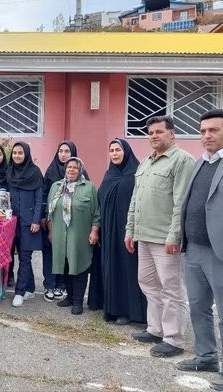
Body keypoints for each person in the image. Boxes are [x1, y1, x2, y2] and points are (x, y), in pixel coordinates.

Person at [125, 115, 195, 358]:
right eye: (151, 133)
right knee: (148, 284)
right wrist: (130, 229)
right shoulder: (146, 162)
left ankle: (174, 339)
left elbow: (181, 203)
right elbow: (136, 199)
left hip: (166, 239)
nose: (153, 136)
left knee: (172, 289)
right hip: (144, 236)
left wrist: (175, 235)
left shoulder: (182, 161)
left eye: (159, 132)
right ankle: (155, 329)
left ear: (172, 133)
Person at [175, 109, 223, 389]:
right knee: (198, 308)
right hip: (193, 249)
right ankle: (206, 356)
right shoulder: (200, 163)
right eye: (203, 131)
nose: (206, 136)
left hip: (219, 252)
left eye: (213, 130)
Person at [98, 138, 147, 325]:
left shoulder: (136, 174)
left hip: (128, 232)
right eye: (111, 150)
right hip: (109, 232)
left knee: (128, 269)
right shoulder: (108, 175)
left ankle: (130, 311)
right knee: (112, 268)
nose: (115, 153)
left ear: (126, 152)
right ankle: (113, 308)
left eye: (118, 150)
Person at [46, 157, 100, 315]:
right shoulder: (56, 187)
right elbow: (49, 212)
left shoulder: (88, 187)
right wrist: (50, 231)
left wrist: (94, 231)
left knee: (79, 266)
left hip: (80, 235)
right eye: (69, 167)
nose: (71, 170)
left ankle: (78, 301)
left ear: (80, 170)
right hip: (59, 235)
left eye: (75, 168)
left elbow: (96, 212)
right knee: (65, 266)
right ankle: (69, 297)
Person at [41, 141, 88, 302]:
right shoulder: (51, 172)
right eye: (60, 151)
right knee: (52, 253)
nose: (63, 154)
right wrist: (44, 219)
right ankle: (50, 284)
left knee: (68, 256)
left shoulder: (83, 176)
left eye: (67, 151)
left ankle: (62, 286)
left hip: (74, 226)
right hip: (54, 223)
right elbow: (44, 195)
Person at [7, 142, 43, 307]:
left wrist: (36, 220)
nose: (17, 156)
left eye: (20, 153)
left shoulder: (35, 173)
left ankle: (19, 292)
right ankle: (30, 288)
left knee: (25, 257)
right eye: (14, 153)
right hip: (12, 222)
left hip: (29, 223)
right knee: (13, 256)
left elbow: (39, 199)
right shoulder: (9, 171)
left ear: (26, 154)